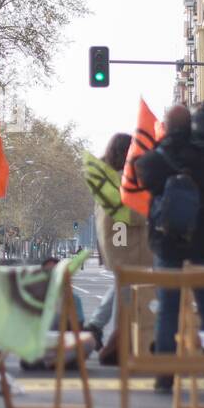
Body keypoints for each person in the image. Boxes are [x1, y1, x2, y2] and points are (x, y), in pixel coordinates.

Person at [136, 103, 204, 392]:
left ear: (167, 128)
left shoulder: (158, 158)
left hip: (168, 244)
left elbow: (142, 175)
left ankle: (165, 374)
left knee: (168, 309)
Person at [88, 132, 153, 364]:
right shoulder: (122, 181)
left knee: (122, 285)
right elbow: (131, 215)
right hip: (126, 243)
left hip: (117, 240)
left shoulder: (106, 176)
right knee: (126, 292)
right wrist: (151, 209)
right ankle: (119, 344)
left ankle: (96, 326)